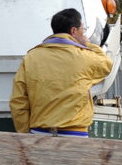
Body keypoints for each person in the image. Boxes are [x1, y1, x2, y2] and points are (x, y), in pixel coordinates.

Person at [10, 8, 113, 136]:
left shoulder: (31, 57)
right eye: (83, 29)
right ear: (73, 31)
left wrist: (26, 133)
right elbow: (106, 64)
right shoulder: (85, 57)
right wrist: (88, 44)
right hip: (75, 135)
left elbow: (18, 101)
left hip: (39, 133)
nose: (83, 33)